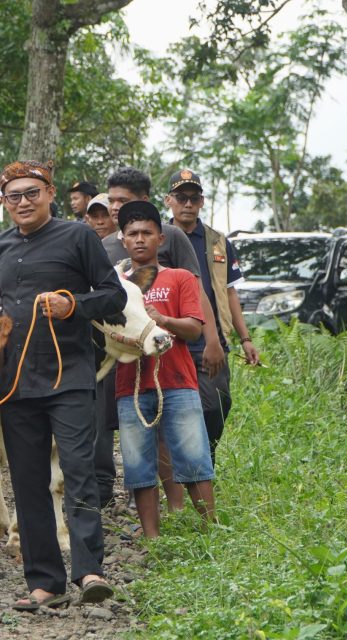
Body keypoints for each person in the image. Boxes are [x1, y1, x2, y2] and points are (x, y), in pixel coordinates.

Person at [0, 161, 126, 610]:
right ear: (4, 202)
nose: (24, 202)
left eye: (32, 193)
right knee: (27, 483)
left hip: (69, 377)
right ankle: (45, 583)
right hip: (16, 385)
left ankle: (89, 570)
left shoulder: (78, 236)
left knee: (78, 473)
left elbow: (114, 296)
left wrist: (73, 304)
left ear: (50, 193)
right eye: (14, 196)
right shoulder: (0, 246)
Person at [94, 167, 224, 511]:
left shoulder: (173, 242)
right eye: (113, 201)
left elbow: (197, 293)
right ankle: (116, 498)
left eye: (124, 200)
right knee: (129, 438)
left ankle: (178, 506)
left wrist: (212, 339)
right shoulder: (102, 246)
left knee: (182, 438)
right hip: (124, 364)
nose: (117, 206)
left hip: (175, 358)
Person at [114, 200, 216, 537]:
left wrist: (163, 320)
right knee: (138, 467)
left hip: (178, 381)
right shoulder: (114, 284)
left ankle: (209, 532)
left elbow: (195, 329)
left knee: (194, 459)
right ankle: (153, 539)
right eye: (132, 234)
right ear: (123, 239)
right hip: (129, 384)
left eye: (147, 233)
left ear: (162, 238)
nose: (140, 239)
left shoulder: (180, 278)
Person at [164, 170, 260, 463]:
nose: (187, 204)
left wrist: (245, 339)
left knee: (218, 403)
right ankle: (181, 470)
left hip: (213, 339)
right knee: (172, 408)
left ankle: (204, 460)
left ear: (202, 202)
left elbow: (230, 292)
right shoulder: (158, 237)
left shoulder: (218, 241)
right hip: (173, 337)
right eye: (181, 198)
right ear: (169, 200)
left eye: (194, 198)